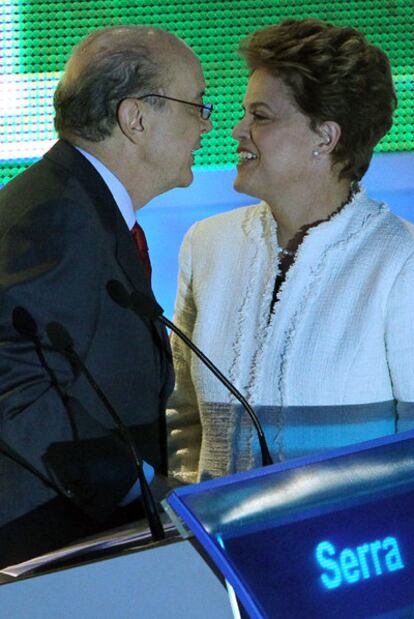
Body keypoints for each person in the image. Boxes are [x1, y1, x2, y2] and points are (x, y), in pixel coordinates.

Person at [0, 25, 212, 567]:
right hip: (47, 548)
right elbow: (14, 389)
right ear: (135, 118)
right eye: (198, 105)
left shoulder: (79, 204)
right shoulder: (52, 217)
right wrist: (135, 487)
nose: (206, 126)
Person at [167, 18, 414, 484]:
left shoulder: (402, 261)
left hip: (351, 550)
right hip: (217, 551)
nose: (237, 129)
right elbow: (182, 419)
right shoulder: (206, 244)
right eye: (244, 113)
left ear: (326, 137)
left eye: (260, 116)